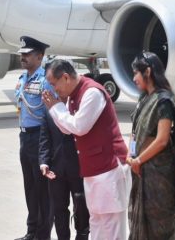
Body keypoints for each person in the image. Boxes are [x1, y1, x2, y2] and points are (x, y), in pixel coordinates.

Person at [42, 59, 130, 240]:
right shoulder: (74, 94)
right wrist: (55, 109)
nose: (54, 90)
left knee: (111, 226)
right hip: (92, 170)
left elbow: (79, 126)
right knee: (96, 222)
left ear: (65, 77)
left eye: (54, 84)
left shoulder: (92, 92)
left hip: (109, 168)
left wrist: (56, 107)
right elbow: (66, 128)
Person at [126, 51, 175, 239]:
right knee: (140, 224)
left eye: (136, 73)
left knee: (161, 227)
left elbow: (162, 139)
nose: (134, 78)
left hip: (160, 177)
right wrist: (130, 155)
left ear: (147, 72)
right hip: (140, 171)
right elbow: (135, 132)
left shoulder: (164, 101)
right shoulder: (143, 99)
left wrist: (139, 159)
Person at [15, 36, 52, 240]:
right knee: (30, 187)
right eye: (22, 53)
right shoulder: (23, 78)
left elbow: (51, 111)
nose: (23, 57)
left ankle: (43, 234)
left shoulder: (45, 79)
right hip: (25, 137)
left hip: (40, 137)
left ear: (40, 56)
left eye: (27, 54)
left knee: (42, 190)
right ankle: (32, 231)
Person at [38, 107, 90, 240]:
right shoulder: (49, 111)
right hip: (56, 171)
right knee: (59, 210)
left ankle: (82, 235)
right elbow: (45, 139)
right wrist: (44, 163)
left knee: (81, 207)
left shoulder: (80, 108)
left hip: (79, 169)